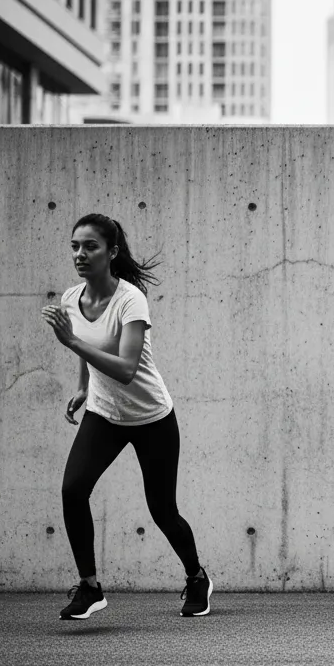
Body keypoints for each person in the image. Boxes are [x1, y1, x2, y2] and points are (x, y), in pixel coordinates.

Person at [40, 213, 212, 621]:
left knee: (162, 510)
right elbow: (86, 351)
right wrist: (83, 387)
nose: (80, 255)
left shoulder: (130, 299)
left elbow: (126, 368)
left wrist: (71, 340)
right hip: (104, 413)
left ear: (112, 252)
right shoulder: (71, 299)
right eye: (75, 246)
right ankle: (90, 588)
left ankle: (197, 577)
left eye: (90, 246)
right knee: (73, 489)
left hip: (151, 416)